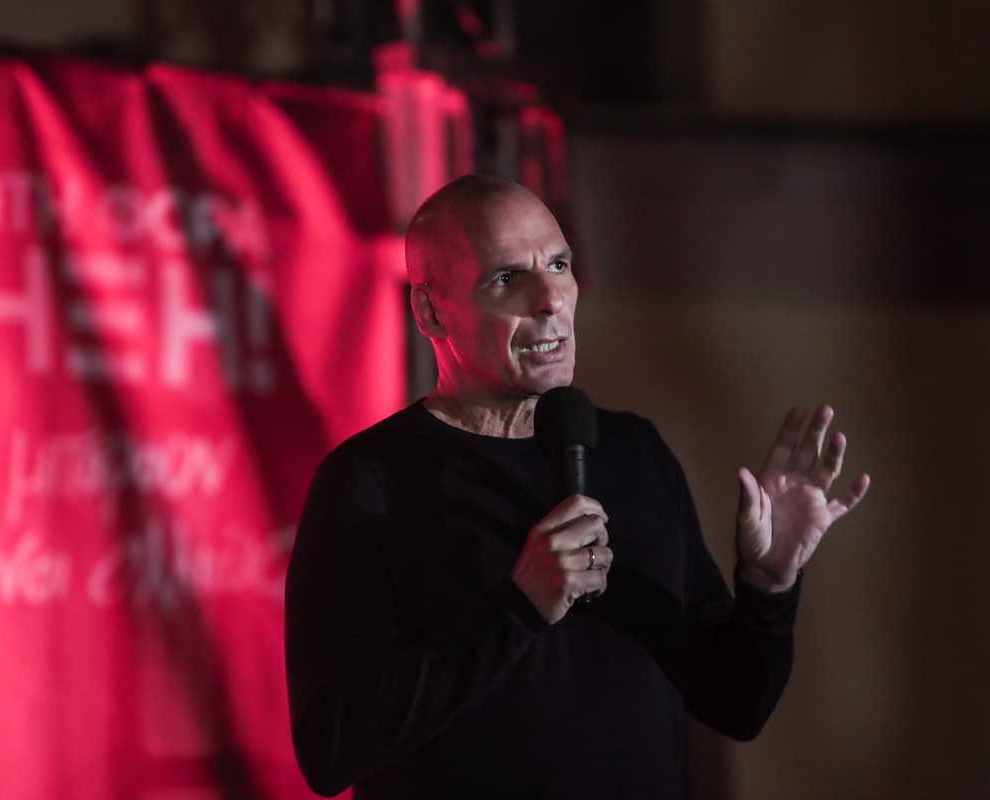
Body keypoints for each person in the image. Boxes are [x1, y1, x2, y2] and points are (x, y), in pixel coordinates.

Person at [284, 175, 870, 799]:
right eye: (507, 278)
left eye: (559, 266)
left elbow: (736, 705)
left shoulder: (635, 453)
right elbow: (330, 749)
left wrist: (768, 587)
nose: (550, 300)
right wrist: (516, 609)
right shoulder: (368, 480)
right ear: (430, 311)